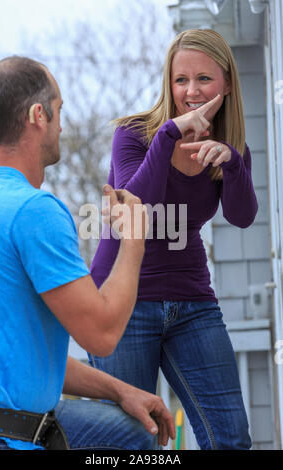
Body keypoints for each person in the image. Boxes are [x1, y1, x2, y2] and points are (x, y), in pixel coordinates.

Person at [0, 56, 175, 451]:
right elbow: (102, 334)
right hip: (11, 437)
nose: (61, 124)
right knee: (146, 442)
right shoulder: (34, 212)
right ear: (39, 115)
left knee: (134, 433)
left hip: (1, 414)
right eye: (59, 111)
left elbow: (28, 360)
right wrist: (134, 240)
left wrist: (120, 390)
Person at [88, 29, 258, 450]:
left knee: (231, 439)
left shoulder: (230, 148)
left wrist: (234, 165)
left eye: (204, 78)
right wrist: (168, 136)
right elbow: (134, 206)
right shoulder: (135, 134)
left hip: (192, 302)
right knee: (129, 445)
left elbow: (242, 217)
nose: (192, 91)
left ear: (227, 84)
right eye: (181, 79)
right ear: (169, 82)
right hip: (121, 306)